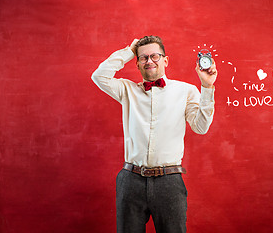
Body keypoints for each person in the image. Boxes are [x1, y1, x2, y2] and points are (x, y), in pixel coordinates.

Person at [91, 35, 218, 233]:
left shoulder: (186, 91)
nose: (149, 61)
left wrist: (207, 87)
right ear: (138, 63)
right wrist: (128, 51)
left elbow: (201, 127)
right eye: (143, 57)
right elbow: (99, 76)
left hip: (169, 181)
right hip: (130, 180)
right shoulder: (127, 90)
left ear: (165, 60)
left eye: (155, 56)